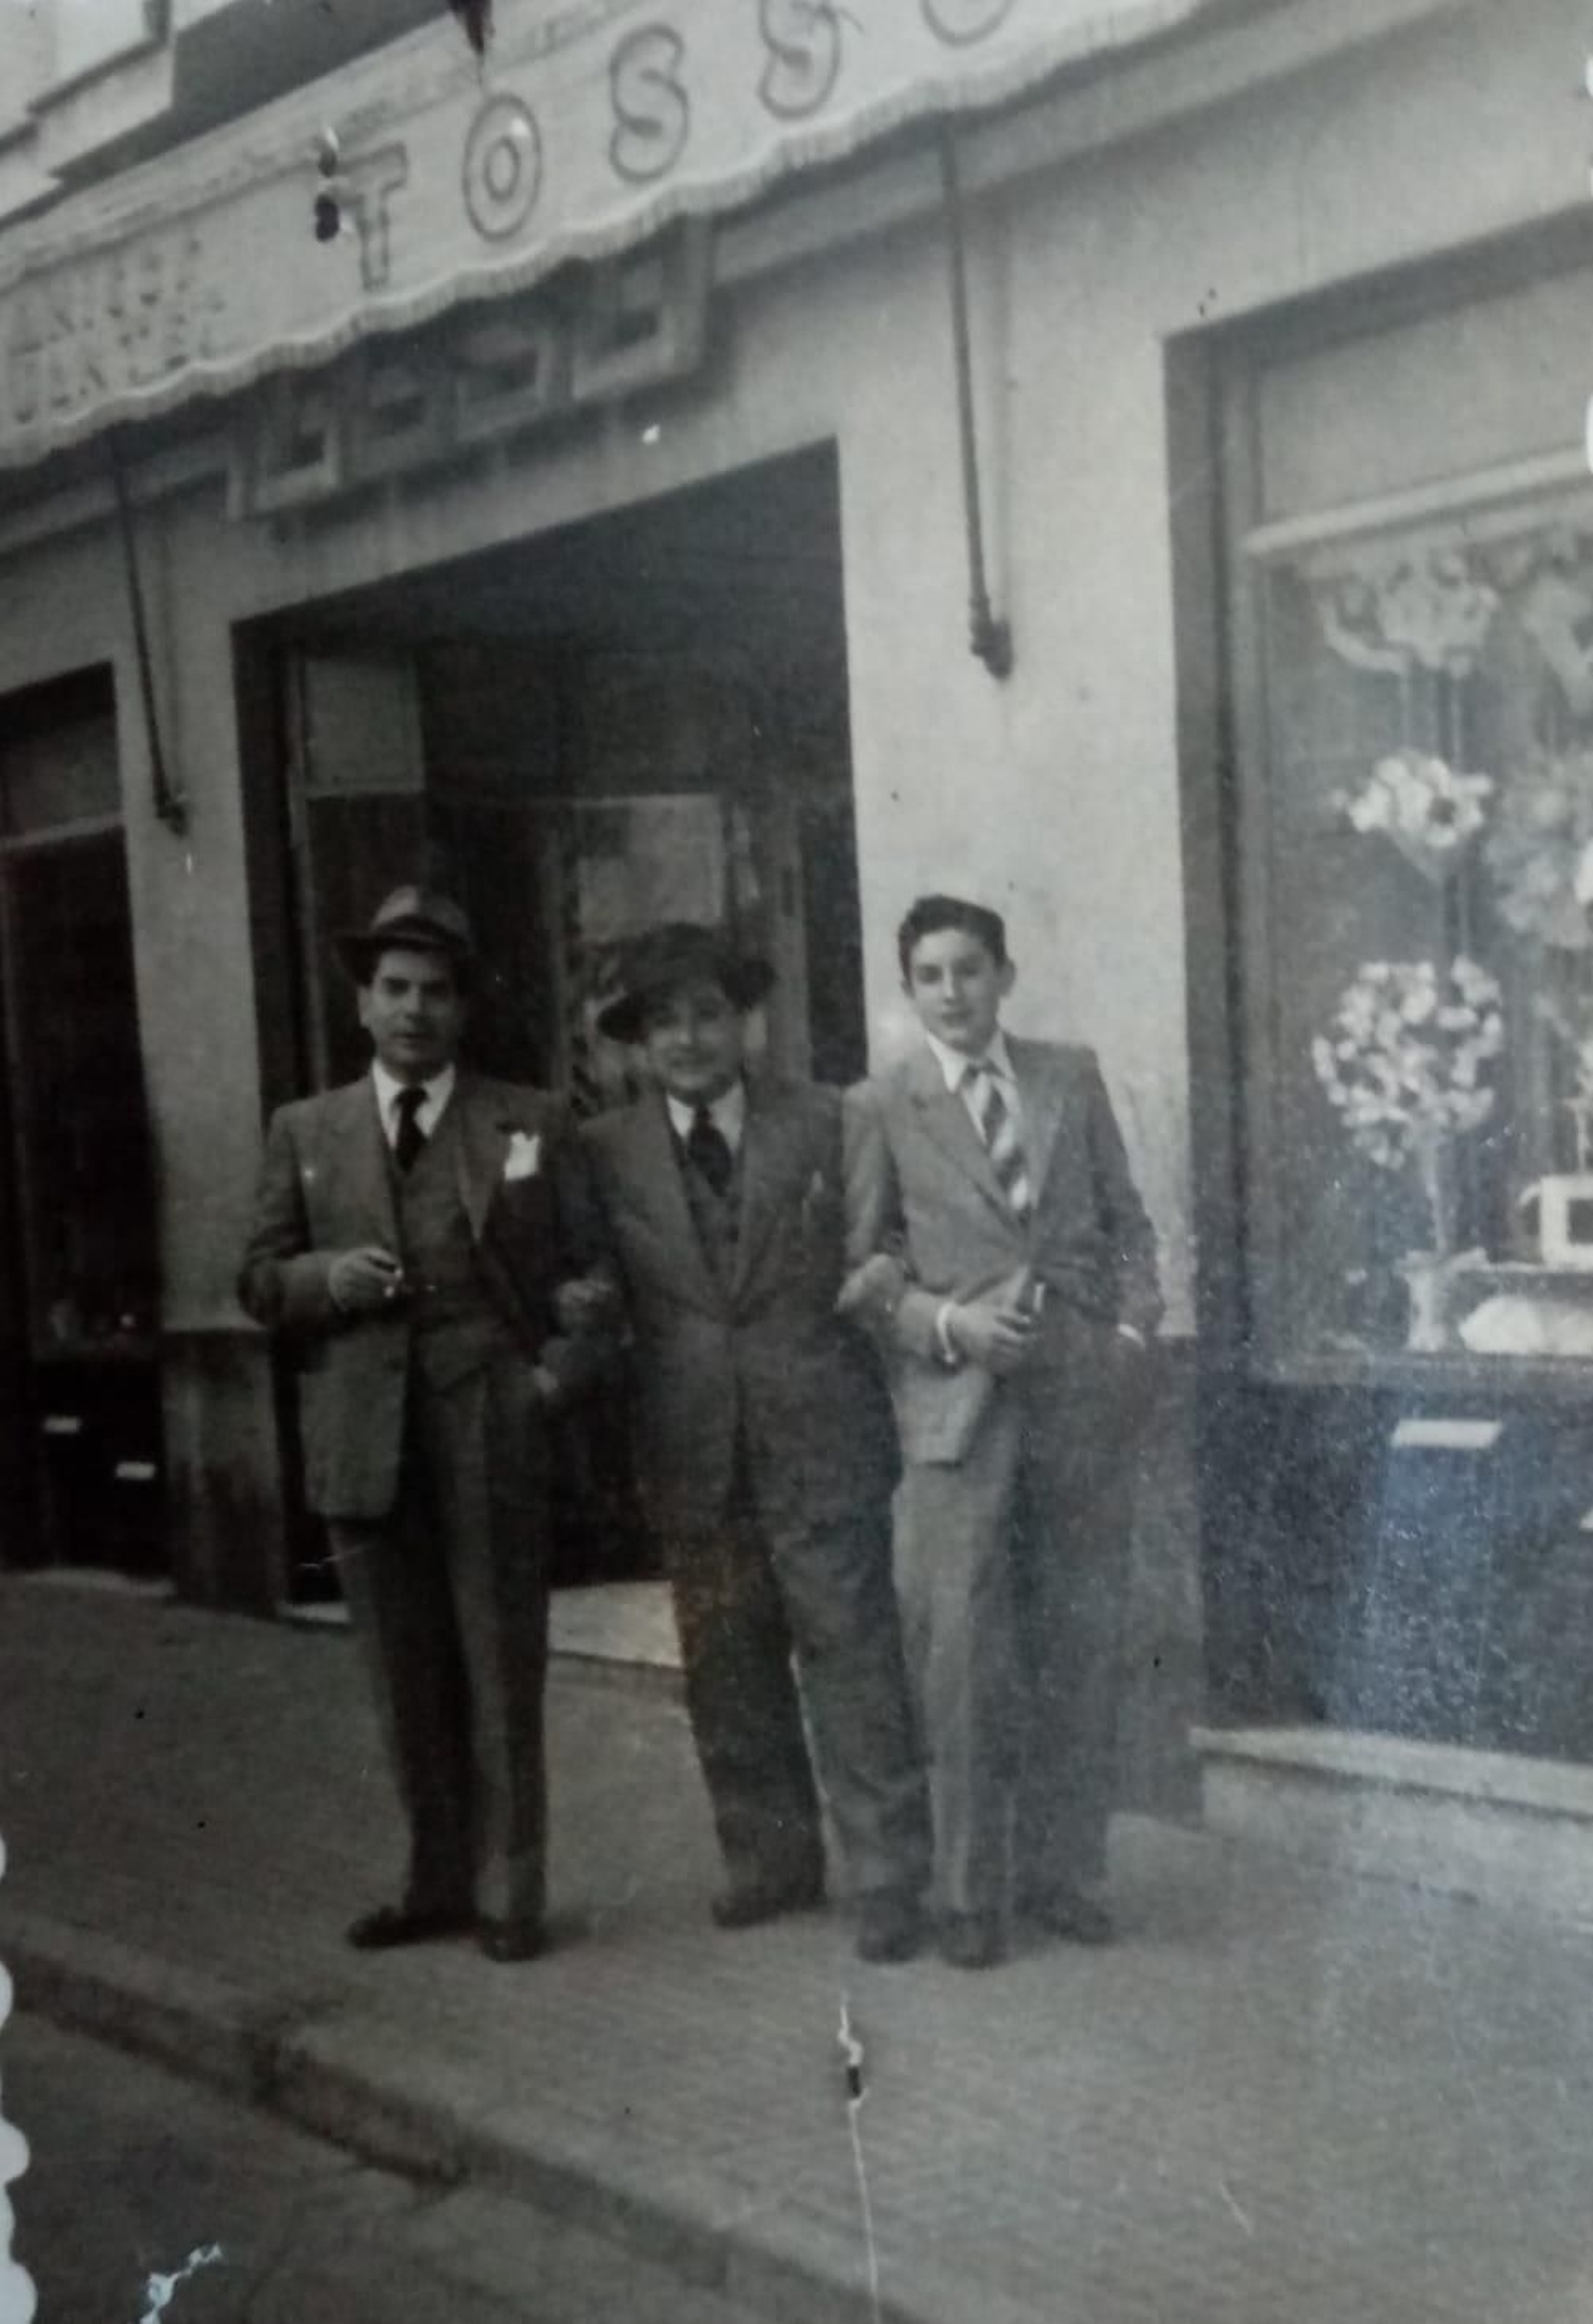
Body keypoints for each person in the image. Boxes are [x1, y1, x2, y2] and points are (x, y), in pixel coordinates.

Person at [238, 886, 604, 1964]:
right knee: (401, 1673)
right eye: (394, 990)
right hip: (365, 1431)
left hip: (490, 1417)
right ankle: (430, 1881)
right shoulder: (304, 1130)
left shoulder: (530, 1119)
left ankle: (508, 1895)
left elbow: (592, 1275)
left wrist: (549, 1382)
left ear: (464, 1008)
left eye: (436, 992)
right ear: (362, 1005)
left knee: (500, 1662)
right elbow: (255, 1279)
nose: (414, 1011)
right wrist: (325, 1277)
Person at [576, 922, 932, 1964]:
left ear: (744, 1022)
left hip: (821, 1431)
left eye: (705, 1013)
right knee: (725, 1664)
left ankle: (887, 1876)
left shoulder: (826, 1120)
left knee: (853, 1657)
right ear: (637, 1044)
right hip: (691, 1442)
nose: (686, 1038)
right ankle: (769, 1862)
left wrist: (885, 1276)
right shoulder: (604, 1151)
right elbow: (592, 1279)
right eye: (662, 1022)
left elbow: (888, 1236)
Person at [842, 894, 1162, 1969]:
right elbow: (864, 1274)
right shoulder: (882, 1105)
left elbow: (1127, 1224)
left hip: (1076, 1396)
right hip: (958, 1412)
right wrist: (950, 1324)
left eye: (969, 969)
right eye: (930, 974)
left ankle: (1066, 1875)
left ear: (1004, 976)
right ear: (909, 990)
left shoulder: (1067, 1075)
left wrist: (1129, 1327)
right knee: (965, 1659)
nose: (953, 991)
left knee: (1079, 1638)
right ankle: (968, 1896)